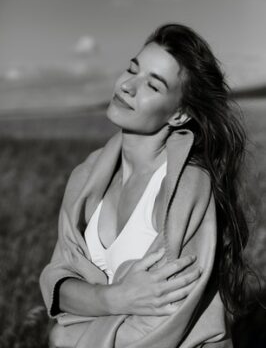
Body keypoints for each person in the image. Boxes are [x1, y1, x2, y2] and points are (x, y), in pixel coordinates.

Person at [40, 24, 250, 348]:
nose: (126, 86)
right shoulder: (86, 177)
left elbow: (161, 329)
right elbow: (57, 283)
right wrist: (114, 298)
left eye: (152, 85)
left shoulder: (185, 188)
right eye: (131, 69)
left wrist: (68, 334)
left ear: (179, 115)